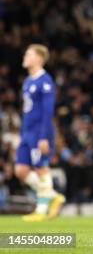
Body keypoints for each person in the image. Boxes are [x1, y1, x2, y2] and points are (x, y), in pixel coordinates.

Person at [14, 44, 65, 221]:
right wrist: (22, 133)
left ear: (39, 58)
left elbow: (47, 112)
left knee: (41, 168)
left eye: (29, 54)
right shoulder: (28, 81)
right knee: (20, 170)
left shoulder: (45, 81)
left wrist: (43, 136)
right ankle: (52, 196)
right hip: (27, 132)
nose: (25, 56)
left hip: (39, 132)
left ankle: (41, 210)